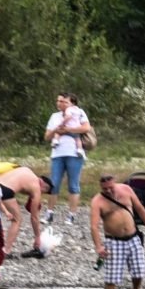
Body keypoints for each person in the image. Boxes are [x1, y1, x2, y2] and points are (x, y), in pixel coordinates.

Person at [90, 173, 145, 289]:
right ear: (100, 187)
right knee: (112, 277)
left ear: (115, 182)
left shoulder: (126, 190)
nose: (108, 191)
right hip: (114, 241)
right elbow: (94, 227)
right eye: (105, 189)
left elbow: (140, 208)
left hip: (133, 238)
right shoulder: (97, 202)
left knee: (139, 271)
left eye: (111, 187)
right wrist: (99, 247)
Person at [44, 92, 90, 227]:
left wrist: (68, 129)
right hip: (57, 153)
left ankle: (71, 215)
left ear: (71, 103)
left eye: (63, 101)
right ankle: (50, 213)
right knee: (54, 184)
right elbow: (47, 137)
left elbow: (86, 127)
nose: (60, 104)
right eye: (58, 101)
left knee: (73, 185)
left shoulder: (79, 112)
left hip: (74, 153)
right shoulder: (54, 116)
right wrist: (56, 131)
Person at [0, 162, 50, 258]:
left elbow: (20, 186)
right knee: (17, 219)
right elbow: (34, 217)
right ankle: (6, 251)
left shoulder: (26, 171)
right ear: (45, 187)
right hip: (5, 190)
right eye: (44, 192)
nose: (42, 194)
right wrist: (37, 237)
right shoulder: (37, 188)